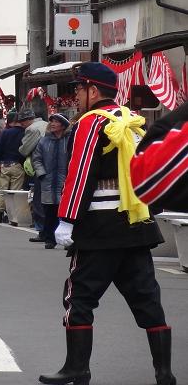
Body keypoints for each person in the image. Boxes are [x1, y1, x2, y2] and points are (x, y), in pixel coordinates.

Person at [39, 62, 174, 385]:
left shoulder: (90, 123)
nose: (76, 98)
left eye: (79, 90)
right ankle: (163, 371)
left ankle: (77, 368)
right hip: (136, 224)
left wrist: (67, 220)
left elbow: (81, 173)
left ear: (94, 91)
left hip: (99, 226)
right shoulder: (131, 121)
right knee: (146, 299)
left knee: (79, 298)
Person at [31, 114, 70, 249]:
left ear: (63, 125)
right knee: (49, 211)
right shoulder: (44, 141)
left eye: (56, 122)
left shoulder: (70, 140)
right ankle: (50, 239)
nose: (52, 124)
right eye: (51, 121)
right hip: (47, 181)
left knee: (66, 212)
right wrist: (41, 174)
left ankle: (66, 240)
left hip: (65, 180)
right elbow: (36, 159)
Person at [0, 111, 29, 223]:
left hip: (4, 165)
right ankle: (11, 215)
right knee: (14, 191)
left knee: (2, 190)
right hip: (18, 165)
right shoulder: (25, 133)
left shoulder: (5, 133)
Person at [20, 109, 48, 237]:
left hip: (40, 165)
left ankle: (42, 229)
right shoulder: (46, 124)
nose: (21, 124)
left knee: (38, 197)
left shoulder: (32, 129)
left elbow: (25, 149)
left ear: (28, 120)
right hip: (53, 166)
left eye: (22, 121)